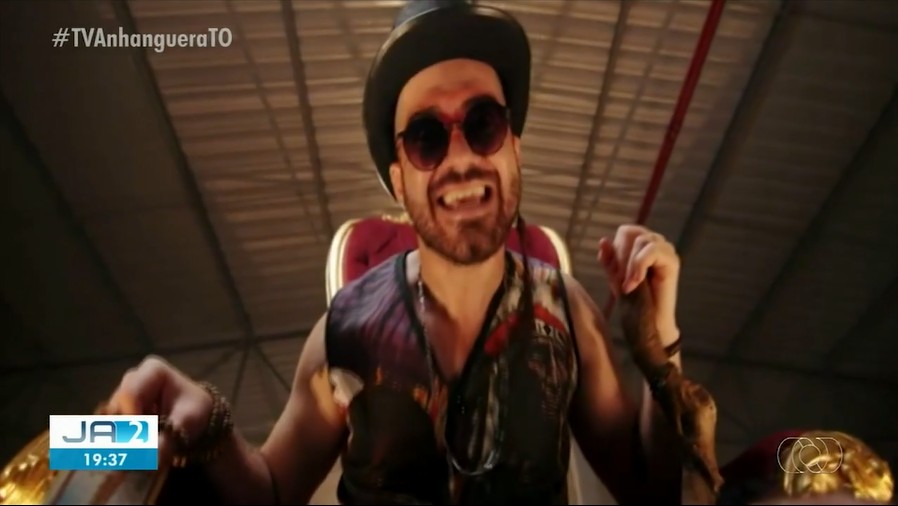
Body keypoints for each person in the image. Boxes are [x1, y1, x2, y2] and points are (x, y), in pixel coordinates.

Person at [105, 1, 686, 504]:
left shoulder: (568, 315)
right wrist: (191, 427)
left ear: (514, 148)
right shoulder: (346, 332)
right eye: (427, 138)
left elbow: (657, 493)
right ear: (399, 180)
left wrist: (659, 345)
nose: (461, 158)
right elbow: (270, 491)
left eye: (483, 123)